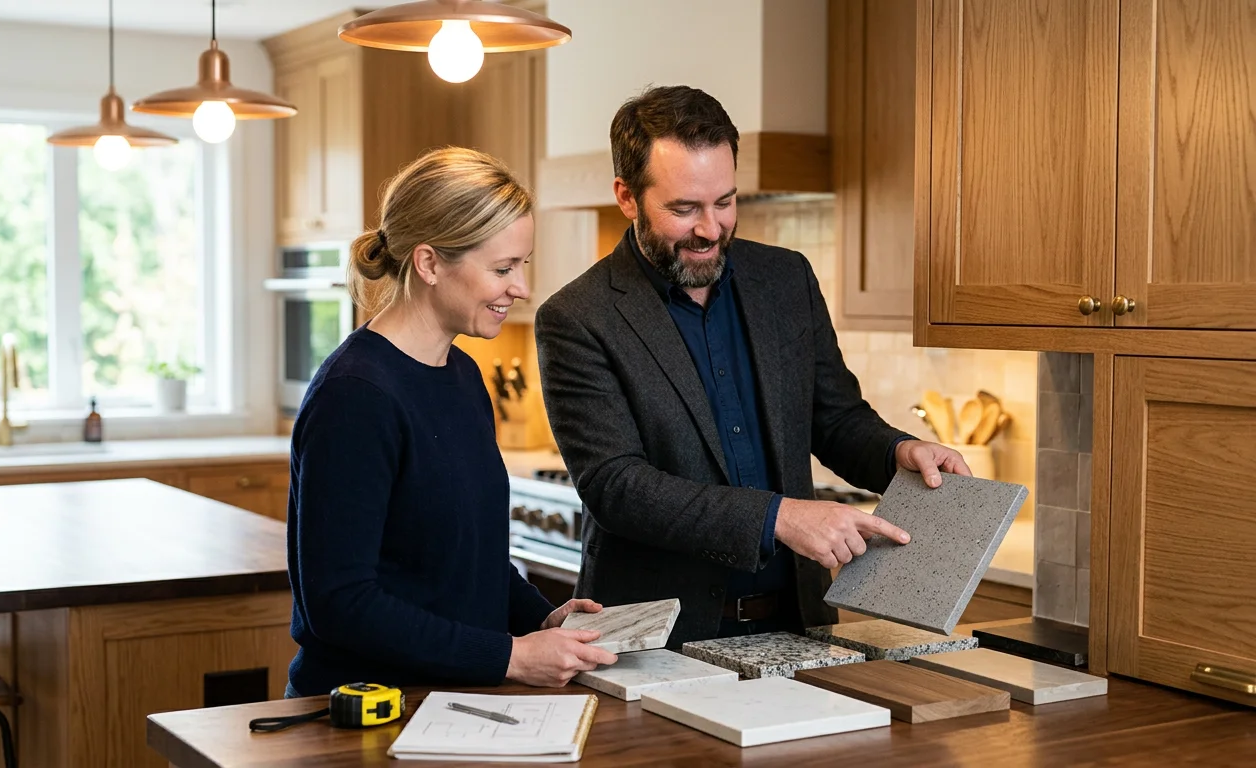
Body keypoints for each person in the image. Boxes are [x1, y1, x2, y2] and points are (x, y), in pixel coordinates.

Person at [535, 86, 970, 645]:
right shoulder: (577, 317)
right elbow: (618, 487)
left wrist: (898, 451)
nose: (711, 229)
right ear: (627, 196)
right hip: (656, 636)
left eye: (725, 201)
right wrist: (779, 518)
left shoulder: (786, 280)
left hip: (798, 620)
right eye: (684, 209)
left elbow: (834, 419)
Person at [285, 147, 616, 698]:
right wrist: (510, 656)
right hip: (363, 714)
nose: (521, 287)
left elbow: (471, 561)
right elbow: (340, 605)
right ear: (430, 263)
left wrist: (544, 620)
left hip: (455, 700)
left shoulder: (461, 374)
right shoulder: (356, 396)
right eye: (502, 268)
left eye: (522, 265)